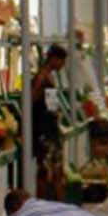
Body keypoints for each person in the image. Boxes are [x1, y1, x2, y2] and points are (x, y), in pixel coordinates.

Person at [29, 42, 69, 200]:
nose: (62, 65)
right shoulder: (41, 77)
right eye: (61, 61)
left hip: (51, 131)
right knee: (46, 173)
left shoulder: (50, 77)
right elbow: (32, 100)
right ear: (53, 59)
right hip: (44, 132)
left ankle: (58, 206)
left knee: (56, 172)